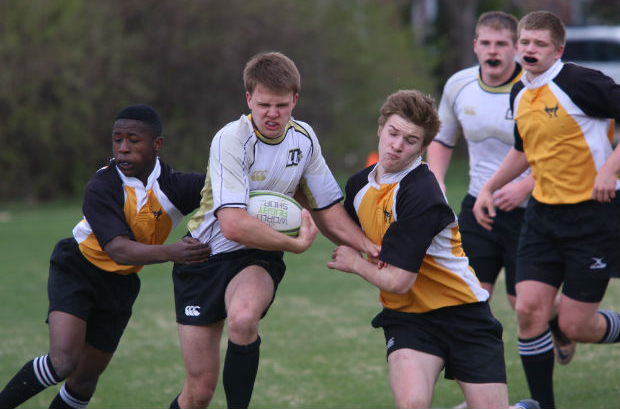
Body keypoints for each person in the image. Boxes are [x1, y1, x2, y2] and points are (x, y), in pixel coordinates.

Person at [168, 51, 379, 409]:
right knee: (199, 392)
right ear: (248, 98)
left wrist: (370, 247)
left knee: (244, 317)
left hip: (257, 255)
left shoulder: (304, 139)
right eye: (264, 104)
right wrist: (294, 245)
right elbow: (232, 225)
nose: (273, 113)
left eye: (282, 105)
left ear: (295, 100)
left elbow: (326, 209)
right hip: (201, 258)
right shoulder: (230, 140)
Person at [327, 89, 538, 409]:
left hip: (464, 315)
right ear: (380, 128)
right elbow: (345, 228)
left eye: (410, 140)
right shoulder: (359, 185)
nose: (397, 145)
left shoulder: (421, 193)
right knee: (412, 404)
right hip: (408, 318)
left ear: (423, 147)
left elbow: (399, 280)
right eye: (393, 133)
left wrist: (355, 264)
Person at [0, 104, 211, 409]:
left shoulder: (176, 187)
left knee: (84, 382)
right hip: (77, 268)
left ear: (157, 144)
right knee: (63, 362)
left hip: (120, 285)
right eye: (117, 140)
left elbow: (224, 191)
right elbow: (118, 249)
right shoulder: (103, 185)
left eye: (133, 141)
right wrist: (173, 252)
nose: (123, 149)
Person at [473, 11, 620, 409]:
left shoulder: (581, 82)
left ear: (558, 49)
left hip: (593, 217)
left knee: (576, 325)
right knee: (528, 311)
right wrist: (490, 187)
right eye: (524, 42)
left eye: (539, 44)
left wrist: (610, 167)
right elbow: (525, 152)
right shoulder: (518, 91)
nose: (529, 50)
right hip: (542, 218)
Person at [426, 11, 575, 366]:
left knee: (522, 305)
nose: (494, 51)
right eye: (487, 43)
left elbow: (562, 151)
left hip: (533, 210)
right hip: (480, 205)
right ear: (476, 46)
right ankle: (478, 391)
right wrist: (437, 181)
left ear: (516, 48)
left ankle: (558, 320)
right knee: (471, 300)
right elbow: (443, 140)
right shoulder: (458, 85)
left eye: (502, 44)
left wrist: (525, 186)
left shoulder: (537, 87)